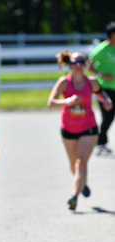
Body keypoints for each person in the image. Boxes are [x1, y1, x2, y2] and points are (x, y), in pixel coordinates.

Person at [48, 50, 112, 211]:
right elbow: (51, 102)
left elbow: (100, 94)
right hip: (68, 129)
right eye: (74, 62)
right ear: (69, 65)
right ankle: (82, 184)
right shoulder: (64, 82)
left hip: (88, 128)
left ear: (85, 64)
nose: (78, 65)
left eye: (81, 62)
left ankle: (74, 196)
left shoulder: (91, 81)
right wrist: (68, 101)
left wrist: (106, 100)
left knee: (80, 164)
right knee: (73, 165)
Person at [88, 22, 115, 156]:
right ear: (112, 34)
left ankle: (100, 142)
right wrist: (102, 74)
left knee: (110, 116)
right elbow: (89, 65)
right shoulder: (102, 49)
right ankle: (100, 143)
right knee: (108, 116)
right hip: (104, 88)